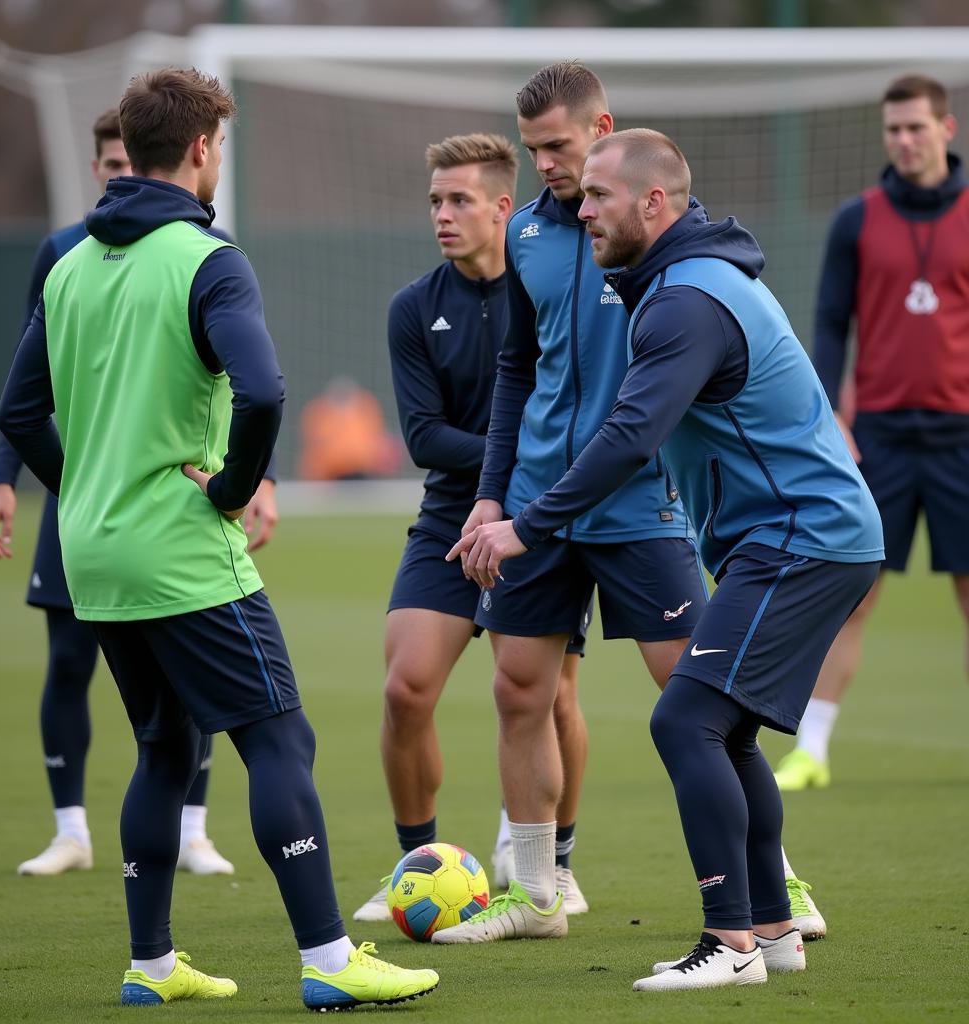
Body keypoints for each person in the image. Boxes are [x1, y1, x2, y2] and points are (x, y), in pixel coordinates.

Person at [0, 68, 438, 1011]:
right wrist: (233, 489)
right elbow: (267, 391)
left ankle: (152, 966)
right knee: (280, 734)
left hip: (94, 553)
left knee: (163, 746)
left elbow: (18, 411)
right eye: (220, 147)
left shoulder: (71, 262)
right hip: (181, 549)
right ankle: (328, 959)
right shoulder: (208, 258)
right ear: (200, 150)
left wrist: (85, 491)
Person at [447, 128, 883, 990]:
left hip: (804, 537)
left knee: (684, 722)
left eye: (600, 197)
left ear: (654, 203)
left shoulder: (686, 301)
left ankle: (730, 943)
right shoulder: (681, 282)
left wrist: (524, 526)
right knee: (729, 734)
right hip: (800, 536)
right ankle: (772, 927)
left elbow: (629, 436)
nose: (583, 209)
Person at [429, 62, 710, 946]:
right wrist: (488, 497)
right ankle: (540, 895)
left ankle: (773, 882)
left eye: (557, 144)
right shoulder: (524, 236)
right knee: (519, 689)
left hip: (639, 501)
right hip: (532, 505)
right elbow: (519, 370)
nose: (546, 163)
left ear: (602, 128)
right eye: (534, 149)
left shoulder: (660, 232)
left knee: (698, 694)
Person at [0, 109, 260, 878]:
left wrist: (250, 478)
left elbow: (228, 385)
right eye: (104, 162)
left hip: (119, 508)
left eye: (121, 159)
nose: (115, 173)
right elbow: (26, 388)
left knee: (173, 715)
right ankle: (71, 830)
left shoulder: (199, 256)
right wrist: (18, 478)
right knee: (76, 667)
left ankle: (188, 848)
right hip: (96, 499)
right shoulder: (67, 255)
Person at [353, 132, 592, 922]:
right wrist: (517, 451)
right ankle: (413, 867)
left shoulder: (552, 283)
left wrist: (531, 473)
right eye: (434, 201)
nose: (443, 216)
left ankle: (553, 867)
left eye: (458, 200)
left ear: (501, 206)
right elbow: (423, 438)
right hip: (451, 516)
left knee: (551, 694)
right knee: (404, 688)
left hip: (545, 516)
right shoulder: (413, 308)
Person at [774, 74, 969, 792]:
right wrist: (828, 413)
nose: (904, 140)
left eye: (917, 127)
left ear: (946, 130)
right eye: (893, 129)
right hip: (877, 439)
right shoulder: (857, 219)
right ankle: (812, 751)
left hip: (962, 437)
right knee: (854, 593)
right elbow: (830, 322)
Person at [297, 377, 402, 481]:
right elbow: (316, 448)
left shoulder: (366, 410)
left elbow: (377, 441)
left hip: (363, 471)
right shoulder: (319, 413)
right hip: (331, 475)